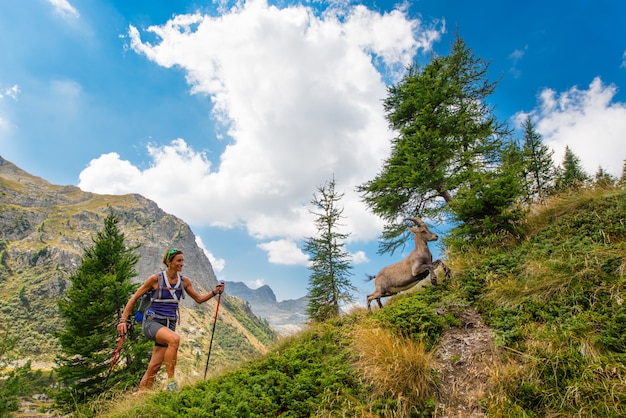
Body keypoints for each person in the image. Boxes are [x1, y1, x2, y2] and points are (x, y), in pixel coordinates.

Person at [116, 248, 225, 392]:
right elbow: (134, 298)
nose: (182, 264)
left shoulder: (184, 281)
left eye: (182, 260)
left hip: (169, 324)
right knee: (174, 339)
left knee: (154, 367)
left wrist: (214, 292)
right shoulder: (155, 279)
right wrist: (123, 320)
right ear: (169, 262)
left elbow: (198, 299)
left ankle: (140, 399)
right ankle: (171, 383)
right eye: (179, 260)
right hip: (152, 322)